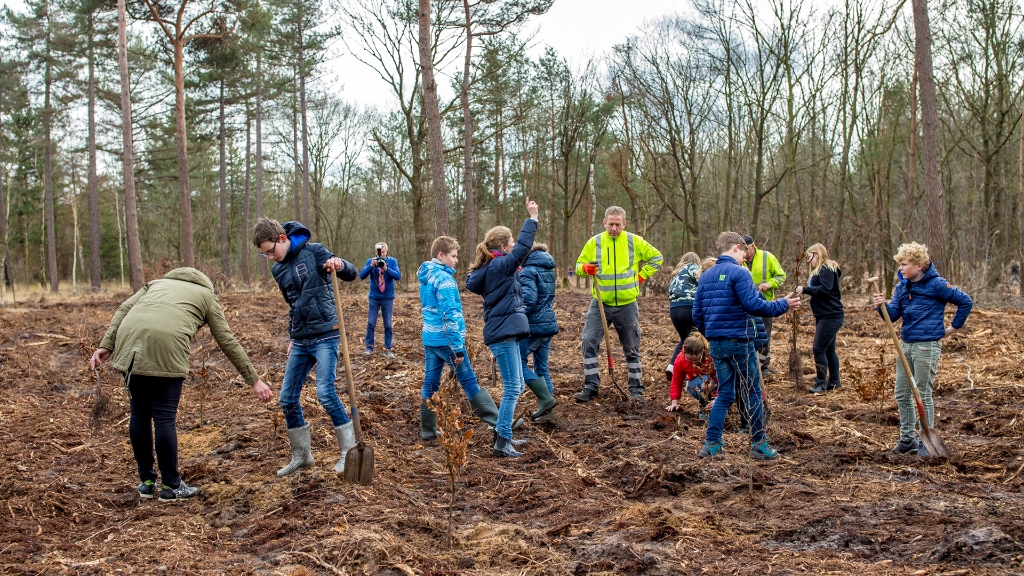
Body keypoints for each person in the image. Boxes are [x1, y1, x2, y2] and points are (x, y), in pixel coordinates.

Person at [89, 268, 272, 502]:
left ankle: (146, 482)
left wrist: (107, 345)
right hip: (167, 345)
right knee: (164, 418)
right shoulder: (207, 296)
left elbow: (123, 309)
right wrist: (254, 380)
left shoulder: (155, 284)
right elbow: (227, 340)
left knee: (139, 413)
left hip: (129, 342)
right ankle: (171, 486)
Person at [253, 217, 359, 478]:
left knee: (324, 392)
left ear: (282, 239)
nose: (269, 257)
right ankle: (302, 456)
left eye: (270, 251)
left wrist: (339, 263)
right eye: (264, 255)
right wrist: (292, 337)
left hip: (326, 334)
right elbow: (293, 305)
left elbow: (352, 273)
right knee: (287, 398)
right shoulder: (278, 270)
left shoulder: (315, 252)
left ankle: (349, 451)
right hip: (301, 339)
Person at [692, 232, 800, 460]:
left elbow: (697, 314)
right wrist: (783, 305)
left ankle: (711, 445)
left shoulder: (705, 276)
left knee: (725, 395)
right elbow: (753, 305)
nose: (745, 258)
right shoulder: (739, 272)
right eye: (743, 253)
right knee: (752, 391)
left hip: (717, 345)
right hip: (740, 342)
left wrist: (712, 334)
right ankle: (759, 444)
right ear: (736, 248)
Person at [872, 242, 972, 456]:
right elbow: (893, 316)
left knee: (922, 393)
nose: (900, 269)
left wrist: (953, 328)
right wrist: (881, 306)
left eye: (904, 264)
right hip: (906, 345)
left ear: (919, 265)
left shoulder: (936, 284)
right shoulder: (901, 287)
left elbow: (965, 301)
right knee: (902, 393)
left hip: (927, 346)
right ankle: (907, 439)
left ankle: (925, 440)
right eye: (899, 264)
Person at [466, 198, 541, 457]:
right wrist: (532, 219)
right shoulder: (500, 265)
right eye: (509, 243)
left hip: (505, 332)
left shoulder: (495, 267)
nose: (513, 247)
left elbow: (518, 250)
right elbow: (523, 247)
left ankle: (502, 432)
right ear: (502, 246)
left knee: (517, 385)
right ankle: (501, 442)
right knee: (512, 388)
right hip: (504, 334)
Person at [417, 235, 503, 442]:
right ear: (441, 255)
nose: (456, 260)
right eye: (453, 256)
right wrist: (456, 347)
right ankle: (499, 422)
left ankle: (428, 429)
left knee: (430, 383)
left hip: (430, 338)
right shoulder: (444, 280)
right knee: (469, 380)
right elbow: (449, 315)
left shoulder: (426, 276)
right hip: (447, 341)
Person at [574, 206, 664, 401]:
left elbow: (657, 258)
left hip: (627, 304)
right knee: (589, 341)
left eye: (618, 224)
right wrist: (585, 268)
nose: (614, 228)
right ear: (604, 222)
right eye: (611, 223)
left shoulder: (634, 241)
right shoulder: (594, 242)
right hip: (600, 304)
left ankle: (636, 389)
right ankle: (591, 386)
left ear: (624, 223)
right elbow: (578, 266)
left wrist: (640, 277)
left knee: (631, 347)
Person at [796, 243, 844, 394]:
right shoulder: (821, 270)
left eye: (810, 257)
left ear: (817, 254)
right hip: (824, 315)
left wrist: (805, 289)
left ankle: (820, 383)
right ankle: (835, 381)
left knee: (818, 349)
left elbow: (825, 289)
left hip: (830, 315)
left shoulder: (826, 269)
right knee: (829, 350)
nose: (809, 261)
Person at [519, 243, 559, 421]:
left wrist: (518, 317)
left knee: (518, 365)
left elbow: (529, 299)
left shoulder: (528, 271)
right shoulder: (548, 268)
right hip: (548, 324)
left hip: (532, 327)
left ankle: (545, 398)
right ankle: (547, 412)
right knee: (542, 367)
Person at [741, 235, 786, 375]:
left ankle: (764, 366)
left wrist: (769, 284)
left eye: (746, 249)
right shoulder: (738, 260)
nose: (744, 252)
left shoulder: (768, 257)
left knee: (764, 336)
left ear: (753, 246)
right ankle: (749, 364)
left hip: (765, 304)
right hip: (746, 305)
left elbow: (781, 276)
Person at [359, 242, 401, 358]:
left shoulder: (392, 261)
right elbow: (361, 276)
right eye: (379, 252)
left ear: (386, 251)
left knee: (388, 324)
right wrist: (371, 266)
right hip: (374, 297)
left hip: (387, 297)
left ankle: (388, 348)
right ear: (375, 252)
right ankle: (369, 346)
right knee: (371, 323)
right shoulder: (370, 261)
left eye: (383, 252)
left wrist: (386, 268)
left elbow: (398, 276)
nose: (381, 254)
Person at [665, 252, 701, 383]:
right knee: (698, 338)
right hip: (689, 308)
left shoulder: (676, 274)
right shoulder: (693, 268)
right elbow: (702, 280)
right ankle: (695, 371)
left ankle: (672, 366)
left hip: (674, 310)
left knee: (684, 339)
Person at [666, 332, 717, 421]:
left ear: (702, 353)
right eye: (689, 360)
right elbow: (676, 380)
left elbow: (720, 378)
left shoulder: (711, 357)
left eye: (695, 360)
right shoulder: (680, 359)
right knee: (705, 382)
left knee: (707, 382)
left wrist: (718, 397)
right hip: (694, 385)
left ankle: (714, 406)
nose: (693, 363)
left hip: (714, 385)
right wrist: (674, 402)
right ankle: (704, 409)